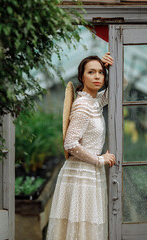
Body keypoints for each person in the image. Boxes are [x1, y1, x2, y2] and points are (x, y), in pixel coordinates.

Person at [46, 53, 116, 240]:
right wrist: (99, 159)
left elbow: (118, 88)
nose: (97, 76)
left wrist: (113, 66)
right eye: (91, 72)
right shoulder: (83, 105)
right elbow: (70, 143)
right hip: (80, 175)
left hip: (90, 173)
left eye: (101, 72)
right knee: (82, 230)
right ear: (81, 77)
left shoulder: (94, 101)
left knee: (87, 229)